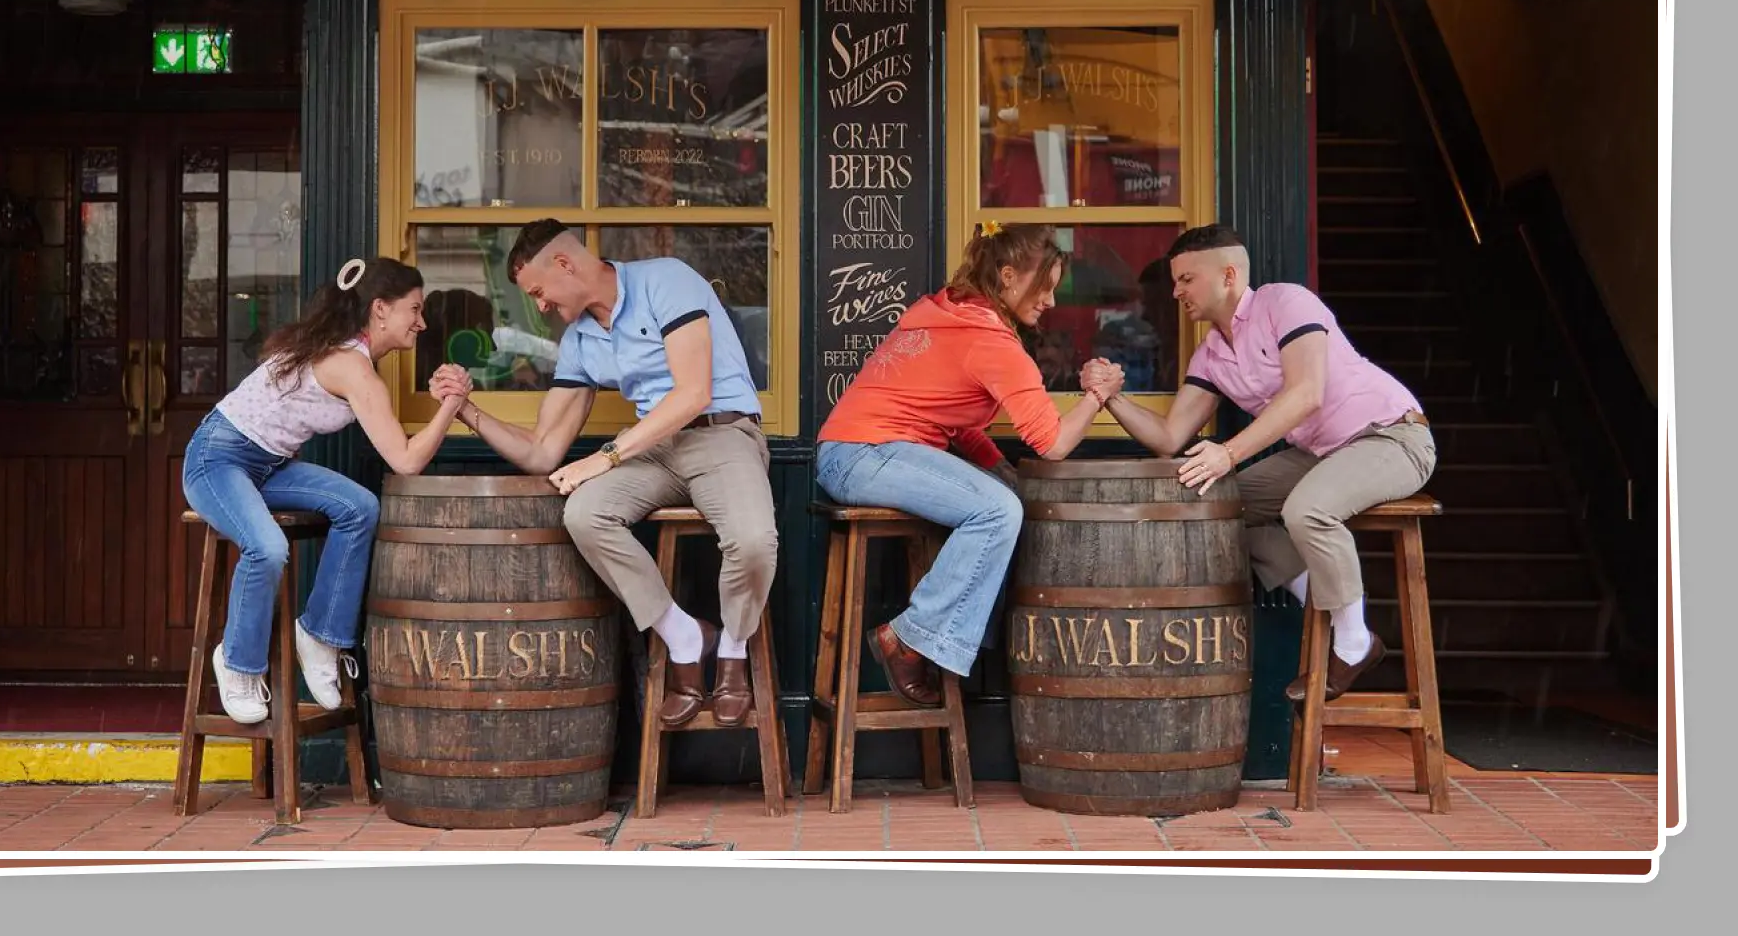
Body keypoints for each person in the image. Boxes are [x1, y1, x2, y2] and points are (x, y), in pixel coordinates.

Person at [432, 220, 775, 729]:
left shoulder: (666, 279)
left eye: (539, 291)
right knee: (584, 513)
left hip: (721, 434)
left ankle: (733, 649)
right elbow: (543, 451)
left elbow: (693, 393)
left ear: (565, 264)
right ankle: (683, 636)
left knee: (753, 542)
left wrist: (607, 456)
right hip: (654, 450)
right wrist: (467, 410)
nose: (540, 306)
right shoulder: (579, 340)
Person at [1086, 224, 1435, 701]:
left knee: (1306, 510)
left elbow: (1307, 393)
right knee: (1221, 510)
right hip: (1321, 452)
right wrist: (1111, 398)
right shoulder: (1211, 354)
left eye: (1187, 279)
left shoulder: (1285, 302)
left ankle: (1355, 643)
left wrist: (1228, 453)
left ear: (1228, 275)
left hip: (1391, 435)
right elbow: (1169, 437)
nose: (1176, 292)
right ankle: (1329, 604)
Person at [813, 223, 1111, 705]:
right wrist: (1097, 396)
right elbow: (1053, 443)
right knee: (998, 511)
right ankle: (909, 639)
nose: (1051, 301)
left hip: (850, 453)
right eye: (1044, 286)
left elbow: (949, 419)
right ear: (1009, 276)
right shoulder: (991, 342)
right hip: (866, 455)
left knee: (1004, 498)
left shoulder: (949, 313)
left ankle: (942, 642)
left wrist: (1002, 470)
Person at [185, 257, 467, 724]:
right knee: (268, 548)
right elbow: (406, 460)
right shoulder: (353, 367)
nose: (421, 322)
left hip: (268, 466)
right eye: (414, 309)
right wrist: (453, 406)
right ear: (380, 309)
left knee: (359, 507)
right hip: (217, 459)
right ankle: (237, 662)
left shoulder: (349, 355)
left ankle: (319, 635)